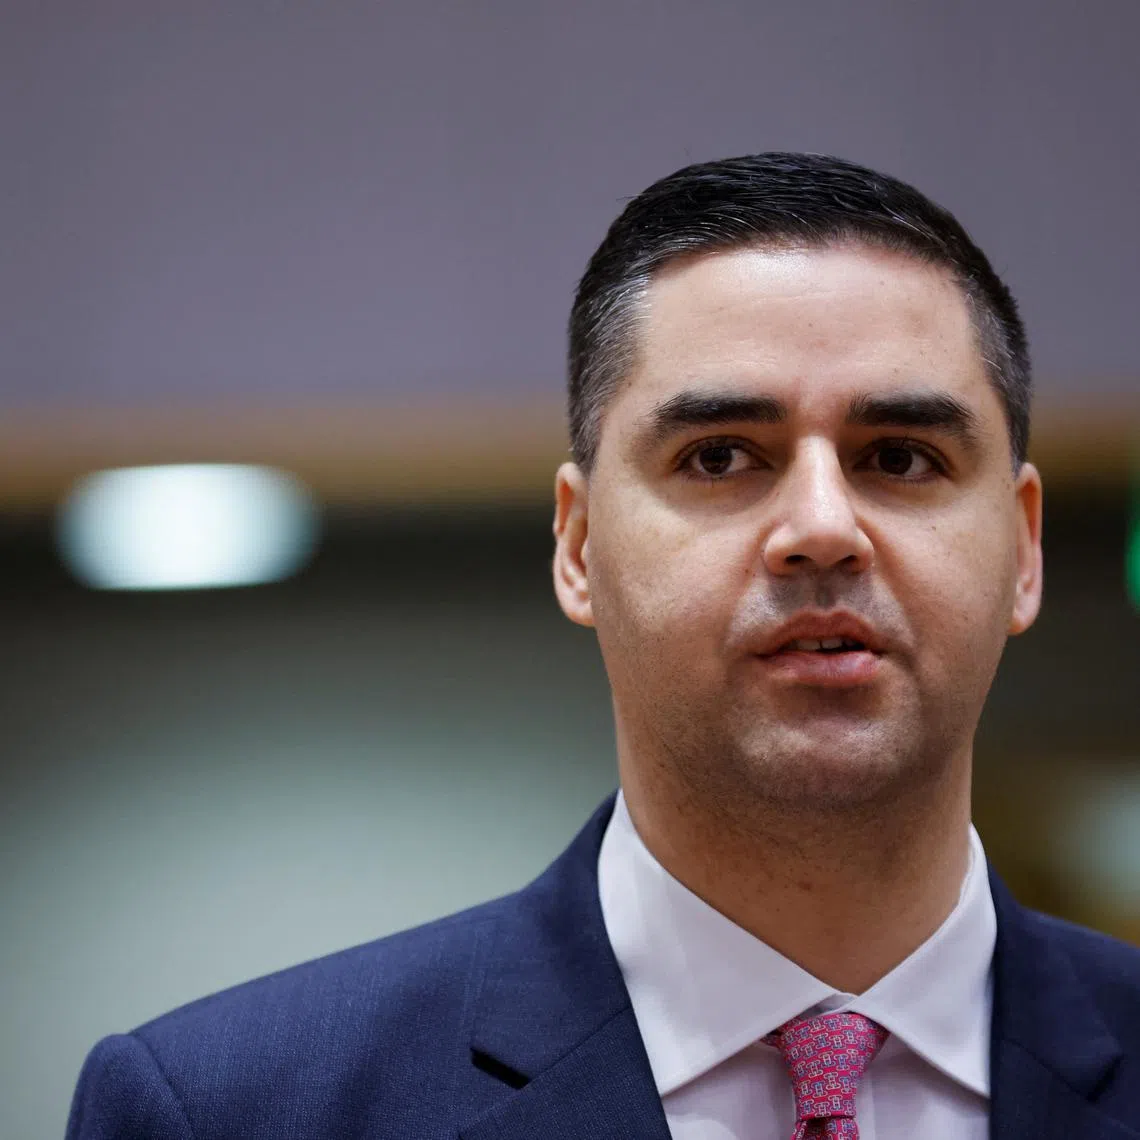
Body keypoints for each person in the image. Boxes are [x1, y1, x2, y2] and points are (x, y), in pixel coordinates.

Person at [67, 153, 1140, 1140]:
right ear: (578, 546)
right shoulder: (230, 1111)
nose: (822, 527)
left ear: (1024, 549)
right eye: (720, 456)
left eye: (900, 458)